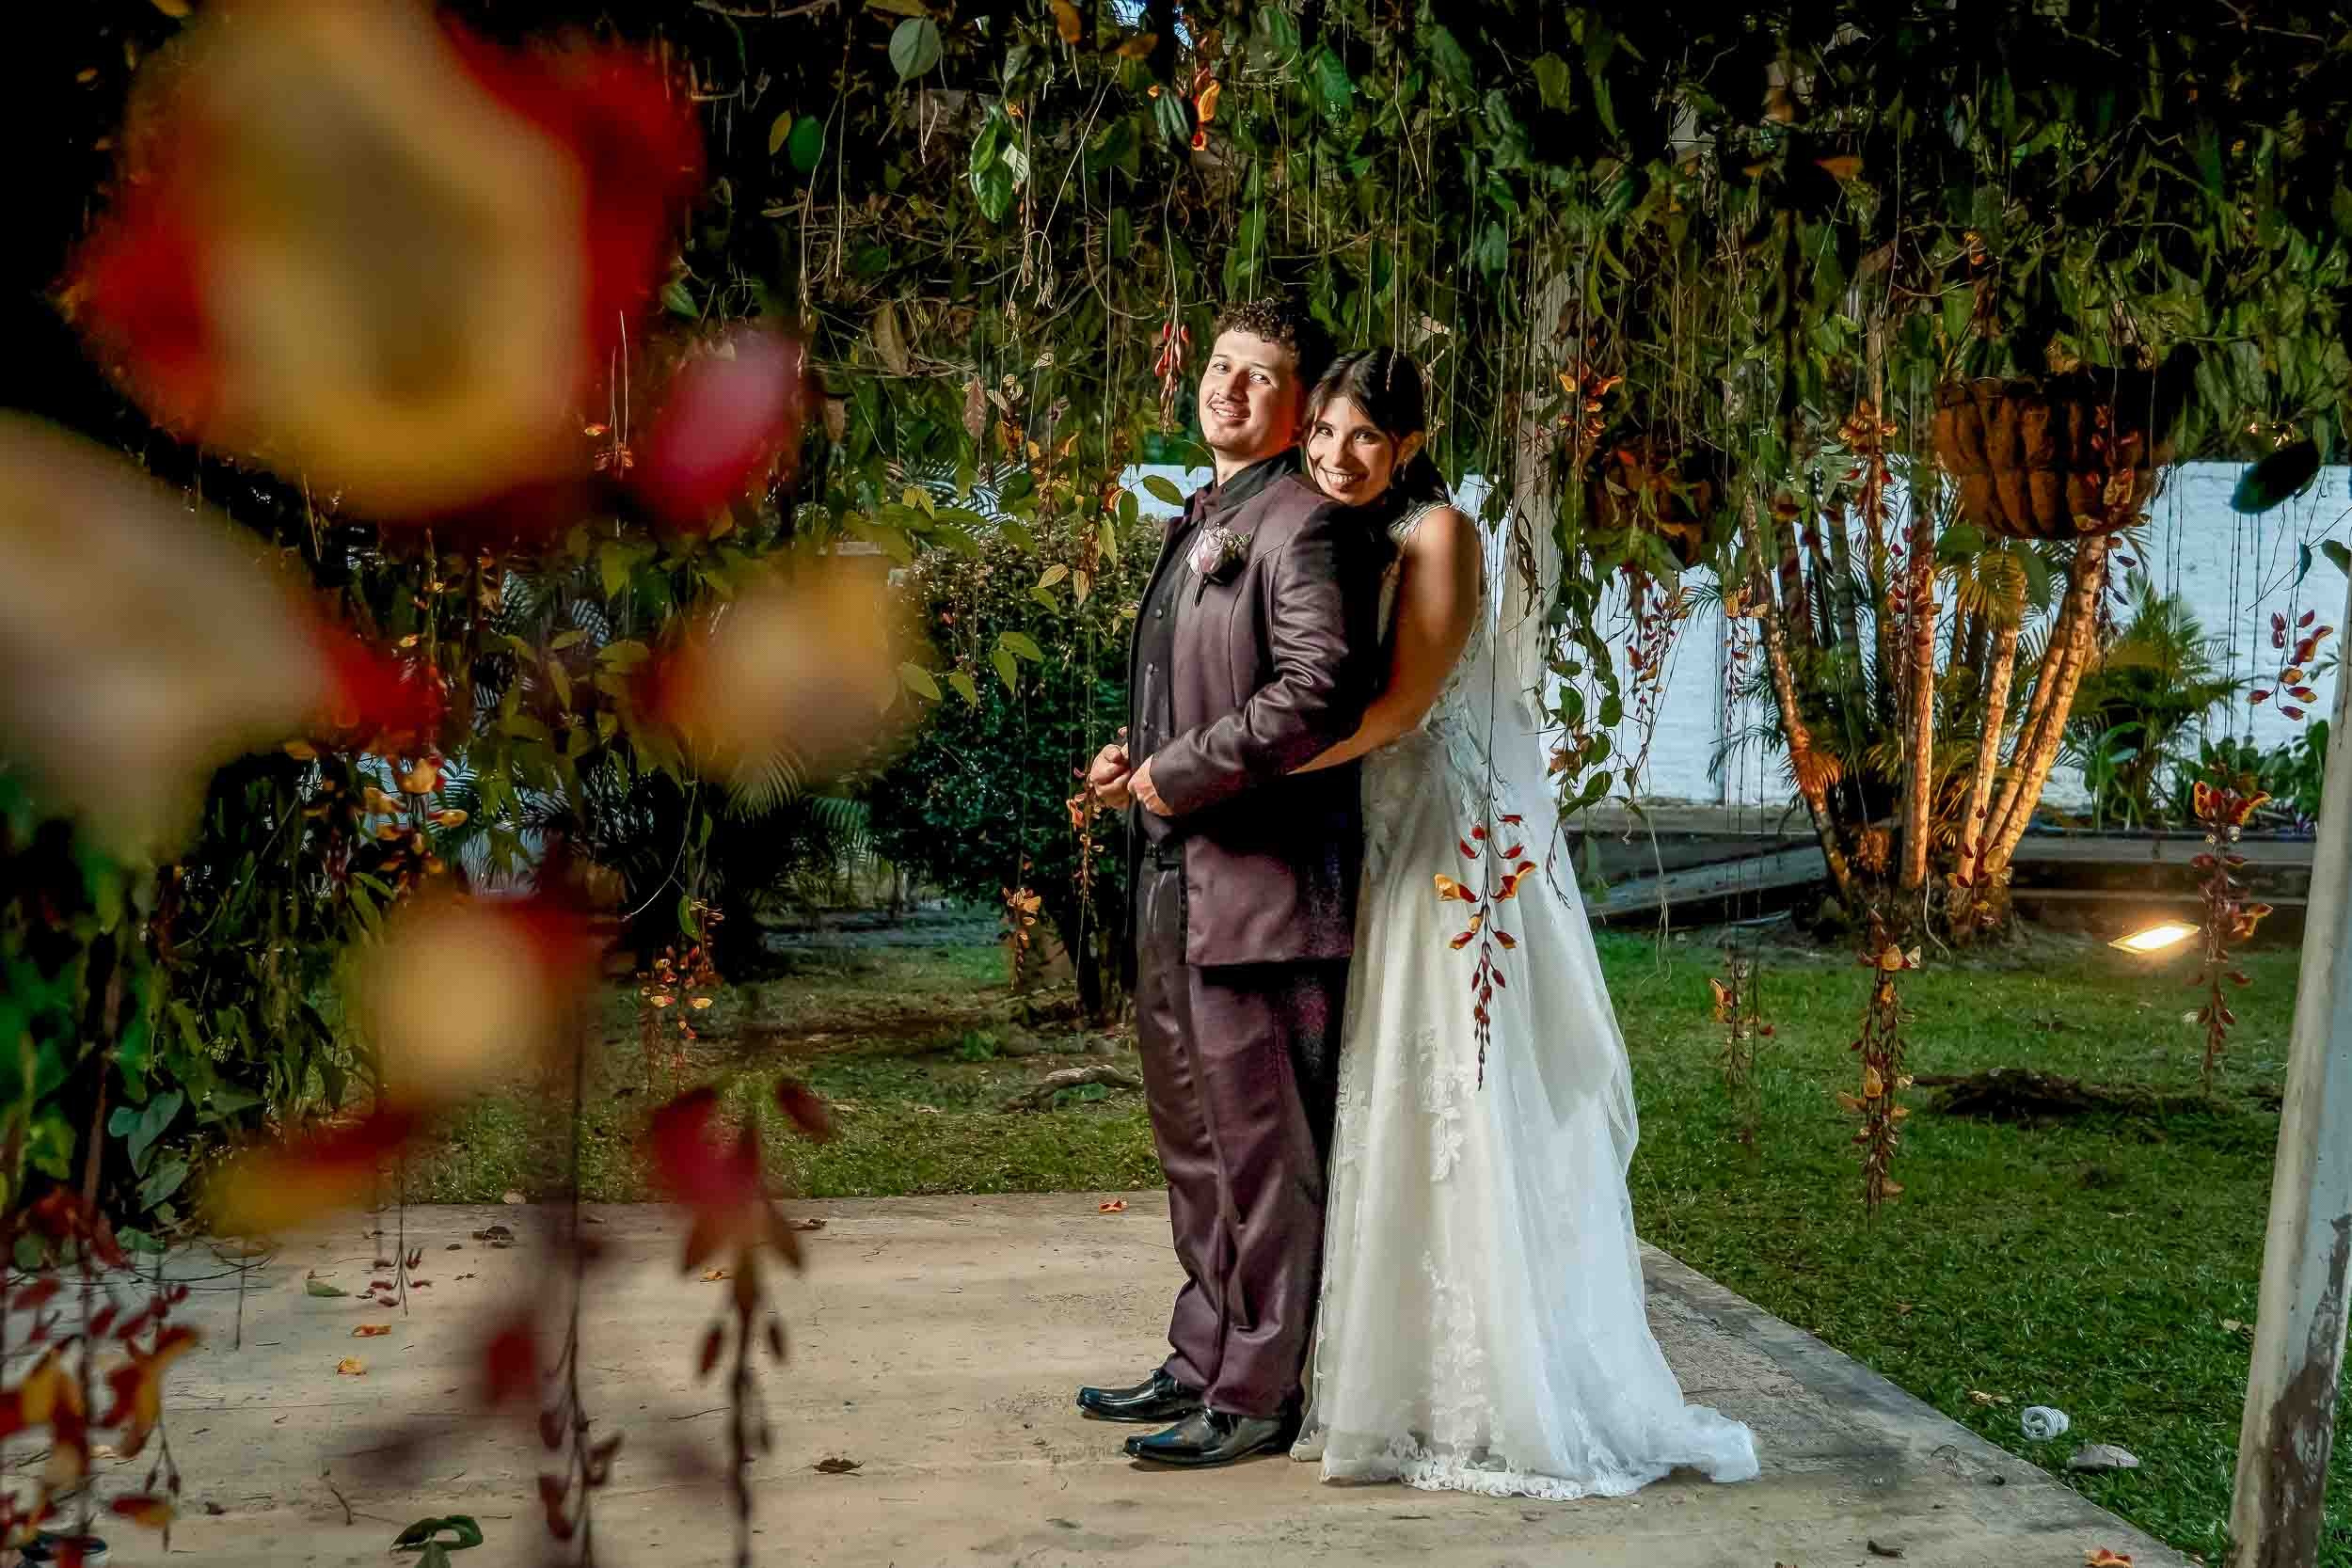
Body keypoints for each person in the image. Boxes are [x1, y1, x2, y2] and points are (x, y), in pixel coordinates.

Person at [1285, 347, 1761, 1497]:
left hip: (1450, 838)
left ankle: (1504, 1384)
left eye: (1361, 437)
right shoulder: (1337, 527)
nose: (1335, 456)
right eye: (1321, 435)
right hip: (1390, 825)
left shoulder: (1440, 531)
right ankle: (1394, 1378)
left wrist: (1259, 764)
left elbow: (1402, 703)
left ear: (1406, 443)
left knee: (1459, 1083)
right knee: (1394, 1087)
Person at [1072, 299, 1393, 1467]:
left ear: (1299, 407)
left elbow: (1317, 692)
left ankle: (1260, 1388)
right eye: (1219, 367)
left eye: (1261, 377)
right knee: (1193, 1139)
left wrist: (1180, 768)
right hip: (1174, 876)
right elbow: (1198, 683)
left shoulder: (1306, 524)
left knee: (1264, 1154)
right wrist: (1135, 750)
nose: (1230, 389)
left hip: (1262, 891)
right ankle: (1203, 1350)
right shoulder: (1204, 513)